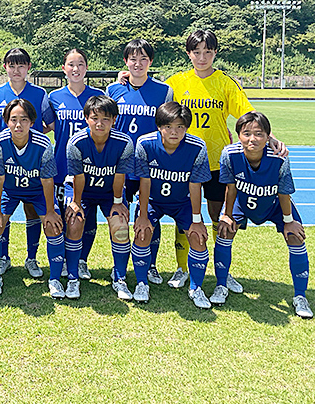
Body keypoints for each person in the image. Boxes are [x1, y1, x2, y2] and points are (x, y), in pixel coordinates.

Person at [165, 30, 286, 291]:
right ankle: (182, 268)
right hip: (183, 161)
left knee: (219, 216)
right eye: (196, 52)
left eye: (207, 52)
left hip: (216, 161)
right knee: (184, 217)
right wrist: (125, 79)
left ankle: (222, 271)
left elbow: (248, 115)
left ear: (215, 53)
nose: (202, 57)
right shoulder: (175, 83)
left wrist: (271, 138)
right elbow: (159, 109)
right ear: (188, 54)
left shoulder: (225, 83)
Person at [214, 111, 312, 318]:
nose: (252, 139)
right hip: (243, 201)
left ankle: (300, 296)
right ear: (238, 135)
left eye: (259, 134)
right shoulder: (229, 154)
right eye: (246, 133)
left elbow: (283, 192)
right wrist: (227, 214)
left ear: (268, 136)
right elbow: (231, 187)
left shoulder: (279, 157)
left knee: (295, 236)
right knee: (225, 231)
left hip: (275, 204)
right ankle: (221, 285)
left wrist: (288, 221)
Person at [106, 38, 174, 286]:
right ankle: (120, 267)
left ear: (151, 61)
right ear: (125, 61)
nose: (138, 63)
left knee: (150, 216)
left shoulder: (164, 91)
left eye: (143, 58)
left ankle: (151, 264)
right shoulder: (113, 90)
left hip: (150, 164)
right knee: (119, 216)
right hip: (120, 164)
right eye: (133, 59)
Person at [0, 99, 66, 298]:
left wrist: (50, 211)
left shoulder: (43, 143)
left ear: (32, 122)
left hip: (37, 191)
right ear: (7, 121)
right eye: (13, 119)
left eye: (24, 119)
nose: (18, 124)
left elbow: (47, 180)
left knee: (53, 225)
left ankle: (53, 279)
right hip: (10, 190)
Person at [133, 102, 212, 307]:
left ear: (186, 128)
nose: (174, 132)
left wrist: (197, 220)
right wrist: (143, 216)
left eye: (180, 127)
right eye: (168, 126)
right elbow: (144, 181)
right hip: (153, 201)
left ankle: (196, 288)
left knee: (198, 237)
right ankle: (141, 283)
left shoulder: (197, 146)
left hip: (182, 202)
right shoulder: (145, 143)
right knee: (142, 232)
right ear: (159, 126)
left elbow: (195, 184)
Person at [0, 48, 56, 278]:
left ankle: (31, 258)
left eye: (21, 66)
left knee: (32, 210)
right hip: (6, 160)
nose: (16, 70)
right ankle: (3, 257)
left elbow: (49, 123)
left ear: (28, 68)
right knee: (2, 211)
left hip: (33, 160)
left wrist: (32, 138)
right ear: (5, 67)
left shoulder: (39, 93)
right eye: (12, 66)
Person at [65, 95, 134, 299]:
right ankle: (73, 277)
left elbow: (120, 176)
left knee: (120, 226)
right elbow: (78, 177)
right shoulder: (76, 142)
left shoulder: (124, 142)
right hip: (81, 190)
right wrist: (76, 203)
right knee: (75, 222)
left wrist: (118, 202)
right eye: (95, 118)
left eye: (106, 119)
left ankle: (119, 277)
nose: (100, 123)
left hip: (109, 192)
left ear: (114, 120)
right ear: (86, 118)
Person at [49, 49, 104, 280]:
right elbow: (46, 126)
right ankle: (64, 259)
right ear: (63, 69)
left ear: (86, 68)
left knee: (87, 216)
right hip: (62, 167)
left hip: (92, 167)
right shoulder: (53, 97)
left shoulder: (98, 96)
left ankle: (81, 260)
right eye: (71, 64)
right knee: (65, 215)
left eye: (80, 64)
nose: (76, 69)